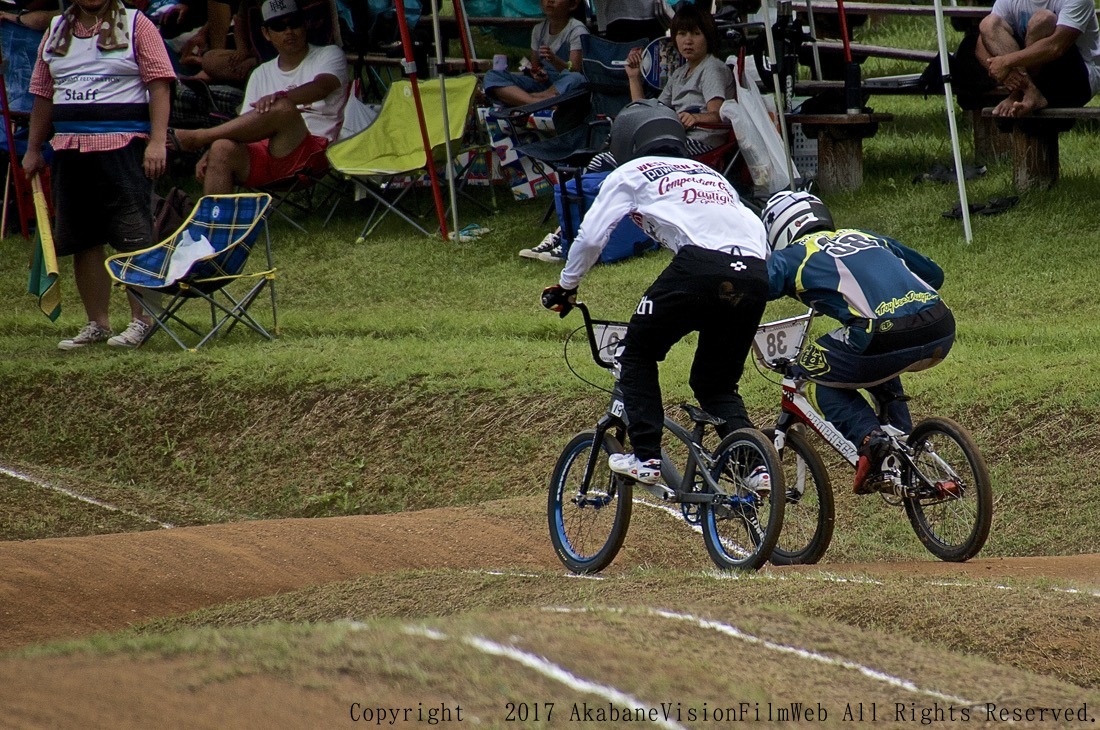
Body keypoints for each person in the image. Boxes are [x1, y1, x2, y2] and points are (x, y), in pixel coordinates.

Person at [541, 99, 770, 485]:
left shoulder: (631, 171)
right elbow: (749, 223)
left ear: (625, 143)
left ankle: (646, 457)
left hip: (699, 266)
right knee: (715, 383)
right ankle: (756, 468)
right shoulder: (708, 173)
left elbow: (592, 235)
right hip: (754, 271)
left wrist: (567, 286)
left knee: (637, 351)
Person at [761, 191, 956, 493]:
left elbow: (756, 285)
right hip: (941, 325)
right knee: (867, 358)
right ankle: (900, 439)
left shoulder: (791, 256)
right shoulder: (862, 235)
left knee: (813, 373)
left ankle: (871, 440)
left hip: (881, 334)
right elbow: (934, 274)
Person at [22, 0, 175, 350]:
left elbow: (159, 85)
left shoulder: (138, 24)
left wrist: (157, 142)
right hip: (70, 148)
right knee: (83, 238)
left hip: (123, 146)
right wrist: (33, 148)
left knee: (134, 236)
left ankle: (143, 321)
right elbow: (44, 95)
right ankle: (98, 323)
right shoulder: (57, 29)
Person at [171, 0, 348, 194]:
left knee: (283, 107)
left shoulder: (329, 54)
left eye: (294, 23)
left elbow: (322, 87)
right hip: (267, 153)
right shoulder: (260, 73)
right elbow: (246, 125)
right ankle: (217, 223)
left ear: (304, 24)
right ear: (266, 34)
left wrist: (280, 96)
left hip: (312, 152)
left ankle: (201, 136)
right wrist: (210, 152)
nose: (288, 31)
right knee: (221, 148)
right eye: (279, 26)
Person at [625, 3, 732, 155]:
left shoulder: (711, 68)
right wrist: (634, 77)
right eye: (682, 34)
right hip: (677, 139)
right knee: (613, 155)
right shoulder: (679, 74)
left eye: (696, 33)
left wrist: (695, 118)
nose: (688, 41)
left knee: (639, 156)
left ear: (708, 36)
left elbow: (718, 115)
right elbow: (650, 114)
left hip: (702, 143)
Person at [974, 0, 1100, 117]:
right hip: (1034, 75)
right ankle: (1027, 92)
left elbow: (1056, 47)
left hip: (1078, 79)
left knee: (1043, 20)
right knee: (989, 23)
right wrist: (1007, 74)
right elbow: (983, 42)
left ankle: (1021, 94)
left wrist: (1005, 62)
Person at [482, 0, 588, 107]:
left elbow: (574, 69)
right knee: (492, 75)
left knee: (576, 78)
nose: (550, 1)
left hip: (564, 84)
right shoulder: (539, 29)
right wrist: (537, 73)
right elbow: (535, 67)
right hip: (544, 85)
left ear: (573, 4)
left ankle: (523, 100)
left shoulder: (577, 30)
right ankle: (536, 102)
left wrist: (554, 60)